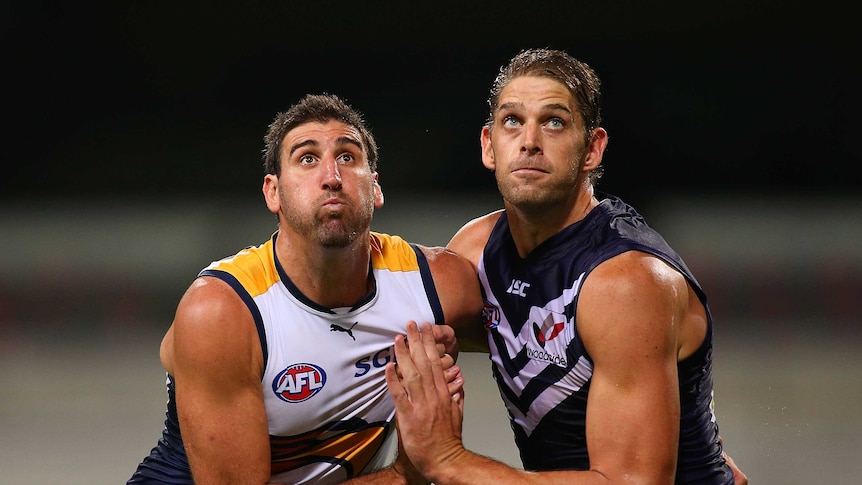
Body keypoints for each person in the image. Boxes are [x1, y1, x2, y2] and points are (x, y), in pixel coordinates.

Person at [386, 48, 749, 484]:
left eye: (554, 122)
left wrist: (451, 462)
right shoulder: (478, 249)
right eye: (512, 121)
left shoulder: (624, 282)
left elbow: (631, 483)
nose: (530, 141)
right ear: (489, 146)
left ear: (593, 148)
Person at [127, 93, 483, 484]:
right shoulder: (223, 311)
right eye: (307, 159)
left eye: (347, 157)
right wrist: (408, 473)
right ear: (273, 192)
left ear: (376, 189)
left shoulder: (436, 286)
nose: (332, 176)